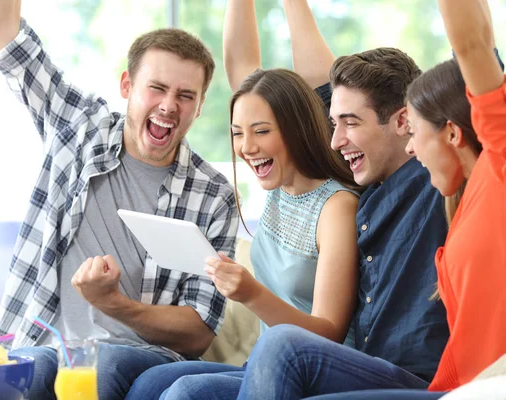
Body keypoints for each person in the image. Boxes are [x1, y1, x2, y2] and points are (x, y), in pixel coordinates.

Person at [128, 0, 450, 399]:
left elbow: (477, 72)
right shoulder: (356, 167)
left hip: (405, 371)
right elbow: (254, 80)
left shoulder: (435, 176)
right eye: (334, 122)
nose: (337, 137)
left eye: (350, 123)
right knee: (155, 382)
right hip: (358, 363)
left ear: (404, 122)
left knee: (276, 348)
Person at [0, 0, 240, 399]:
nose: (169, 105)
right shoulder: (78, 126)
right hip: (43, 340)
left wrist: (113, 303)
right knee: (28, 371)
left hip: (140, 355)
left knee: (99, 366)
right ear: (126, 86)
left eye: (186, 95)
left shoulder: (212, 194)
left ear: (200, 106)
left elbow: (198, 331)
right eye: (157, 88)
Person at [292, 0, 506, 398]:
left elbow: (474, 44)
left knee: (288, 350)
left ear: (450, 133)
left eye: (416, 132)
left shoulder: (502, 162)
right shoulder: (454, 201)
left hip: (489, 385)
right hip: (455, 386)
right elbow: (320, 83)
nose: (413, 149)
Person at [127, 66, 362, 399]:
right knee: (150, 382)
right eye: (238, 133)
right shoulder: (279, 190)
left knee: (187, 392)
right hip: (262, 364)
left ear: (298, 129)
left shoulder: (336, 206)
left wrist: (250, 293)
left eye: (262, 131)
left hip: (312, 373)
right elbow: (243, 68)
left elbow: (328, 334)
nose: (247, 147)